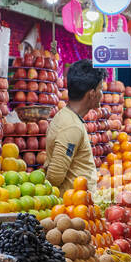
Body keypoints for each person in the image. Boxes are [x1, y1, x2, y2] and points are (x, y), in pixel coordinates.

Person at [44, 59, 101, 194]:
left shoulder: (65, 116)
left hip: (77, 205)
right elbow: (55, 176)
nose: (102, 94)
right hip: (73, 207)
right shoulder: (72, 127)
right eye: (101, 89)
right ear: (92, 94)